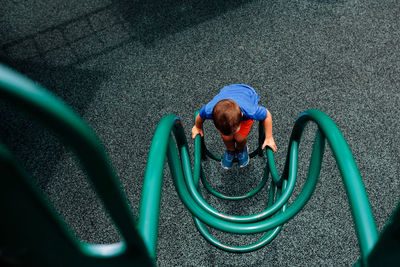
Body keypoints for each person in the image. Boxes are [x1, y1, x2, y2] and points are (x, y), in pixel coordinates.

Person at [191, 84, 277, 169]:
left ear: (241, 115)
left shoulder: (250, 111)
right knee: (227, 138)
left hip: (248, 94)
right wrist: (198, 126)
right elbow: (200, 116)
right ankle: (230, 150)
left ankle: (241, 149)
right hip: (227, 92)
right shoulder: (209, 110)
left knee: (240, 138)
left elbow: (267, 115)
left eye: (234, 130)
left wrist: (269, 137)